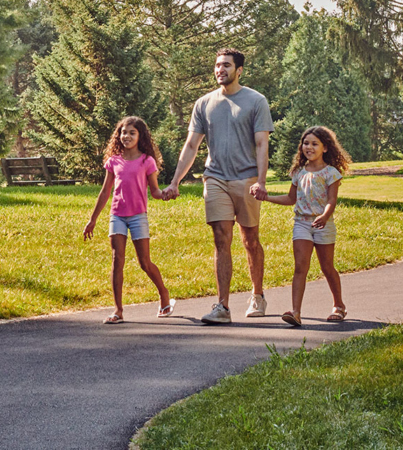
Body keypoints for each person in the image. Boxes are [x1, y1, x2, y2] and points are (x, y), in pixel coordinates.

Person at [161, 48, 274, 324]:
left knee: (250, 240)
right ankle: (222, 306)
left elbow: (262, 143)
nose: (219, 69)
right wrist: (175, 181)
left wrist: (261, 180)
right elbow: (191, 145)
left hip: (246, 180)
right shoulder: (203, 103)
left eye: (226, 65)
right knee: (221, 238)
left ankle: (257, 295)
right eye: (217, 65)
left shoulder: (256, 101)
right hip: (215, 178)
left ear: (239, 70)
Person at [251, 125, 351, 326]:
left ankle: (339, 306)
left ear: (325, 148)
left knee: (327, 266)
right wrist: (266, 198)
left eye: (315, 144)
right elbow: (291, 198)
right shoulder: (298, 172)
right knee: (300, 267)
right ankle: (295, 312)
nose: (309, 147)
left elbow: (332, 200)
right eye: (306, 143)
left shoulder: (331, 173)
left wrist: (324, 216)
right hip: (302, 224)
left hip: (324, 224)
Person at [83, 116, 176, 324]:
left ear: (140, 136)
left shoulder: (147, 161)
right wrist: (92, 220)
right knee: (117, 260)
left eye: (132, 133)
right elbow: (105, 191)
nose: (126, 136)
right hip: (117, 216)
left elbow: (155, 192)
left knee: (144, 262)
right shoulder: (113, 161)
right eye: (123, 132)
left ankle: (164, 294)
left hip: (138, 217)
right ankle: (118, 310)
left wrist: (167, 193)